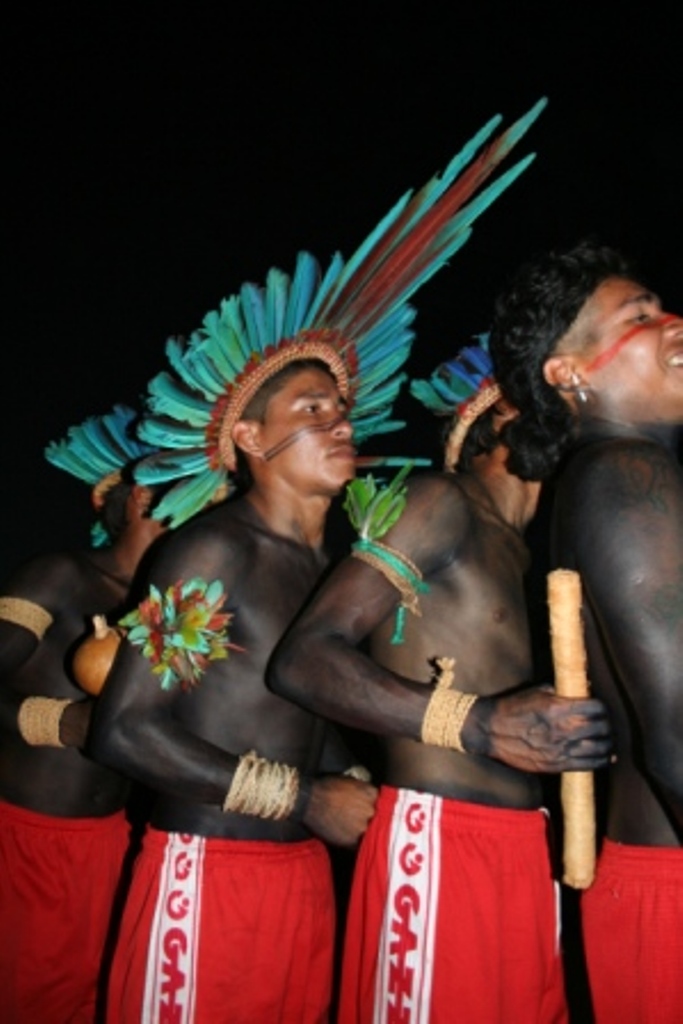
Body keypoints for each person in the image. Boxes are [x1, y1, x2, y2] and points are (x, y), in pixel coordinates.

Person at [86, 102, 551, 1022]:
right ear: (247, 437)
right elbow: (124, 729)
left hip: (305, 883)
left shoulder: (333, 566)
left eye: (340, 409)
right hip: (206, 880)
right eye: (309, 411)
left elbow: (304, 714)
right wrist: (300, 796)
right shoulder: (207, 548)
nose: (338, 421)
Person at [269, 336, 612, 1023]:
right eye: (558, 403)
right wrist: (479, 723)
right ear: (505, 412)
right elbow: (304, 659)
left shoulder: (530, 551)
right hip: (441, 848)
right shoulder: (437, 501)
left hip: (525, 854)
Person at [488, 238, 683, 1024]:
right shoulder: (624, 475)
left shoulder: (627, 477)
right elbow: (675, 730)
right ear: (566, 373)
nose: (673, 322)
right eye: (639, 316)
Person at [0, 404, 167, 1024]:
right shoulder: (58, 576)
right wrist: (56, 722)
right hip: (24, 840)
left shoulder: (171, 617)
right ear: (143, 495)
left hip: (112, 848)